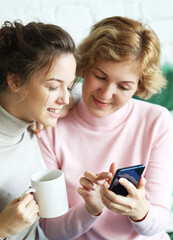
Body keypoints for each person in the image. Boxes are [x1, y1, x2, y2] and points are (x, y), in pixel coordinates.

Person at [38, 16, 173, 239]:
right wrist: (90, 209)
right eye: (100, 76)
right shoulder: (53, 123)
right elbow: (52, 230)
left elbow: (158, 220)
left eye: (123, 86)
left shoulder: (156, 121)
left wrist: (140, 211)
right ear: (85, 66)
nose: (106, 93)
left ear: (139, 86)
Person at [0, 20, 76, 240]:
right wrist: (2, 229)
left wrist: (50, 108)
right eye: (53, 86)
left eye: (69, 86)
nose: (66, 97)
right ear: (15, 81)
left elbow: (83, 98)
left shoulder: (31, 120)